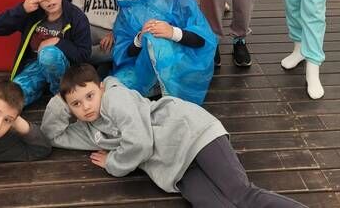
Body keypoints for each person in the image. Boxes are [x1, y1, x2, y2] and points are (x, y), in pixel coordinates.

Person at [41, 64, 306, 208]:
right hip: (174, 167)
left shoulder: (114, 97)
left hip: (192, 133)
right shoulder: (89, 131)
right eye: (76, 104)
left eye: (89, 96)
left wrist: (114, 162)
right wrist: (60, 100)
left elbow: (140, 143)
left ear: (101, 88)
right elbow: (52, 135)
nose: (86, 106)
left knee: (241, 194)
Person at [112, 0, 216, 105]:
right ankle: (153, 86)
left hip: (178, 66)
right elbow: (124, 51)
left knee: (155, 37)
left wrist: (172, 32)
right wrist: (139, 38)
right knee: (114, 88)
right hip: (141, 67)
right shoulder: (127, 6)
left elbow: (201, 40)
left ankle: (171, 97)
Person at [0, 0, 91, 106]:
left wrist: (57, 42)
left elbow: (84, 55)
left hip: (64, 72)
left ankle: (61, 94)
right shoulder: (31, 14)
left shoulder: (76, 17)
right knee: (9, 99)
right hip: (34, 68)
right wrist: (22, 9)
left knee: (48, 54)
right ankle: (39, 89)